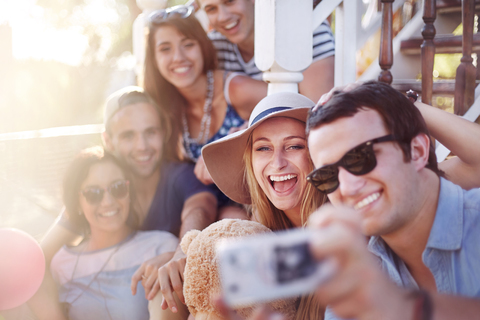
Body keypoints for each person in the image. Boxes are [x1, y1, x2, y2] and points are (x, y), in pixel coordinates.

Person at [35, 87, 217, 319]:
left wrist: (179, 252)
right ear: (108, 141)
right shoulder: (100, 188)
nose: (142, 146)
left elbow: (199, 208)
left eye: (150, 132)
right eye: (128, 136)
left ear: (164, 133)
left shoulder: (178, 177)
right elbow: (37, 262)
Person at [303, 81, 480, 319]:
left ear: (417, 151)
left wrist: (402, 307)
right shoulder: (357, 285)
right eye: (326, 175)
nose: (347, 187)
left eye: (360, 158)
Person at [202, 92, 326, 319]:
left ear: (318, 154)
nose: (277, 163)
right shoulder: (257, 230)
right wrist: (183, 257)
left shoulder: (338, 226)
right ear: (250, 159)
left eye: (294, 146)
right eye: (263, 148)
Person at [39, 146, 179, 320]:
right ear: (76, 203)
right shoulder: (60, 264)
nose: (108, 202)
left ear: (129, 192)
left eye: (118, 187)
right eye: (93, 193)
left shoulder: (162, 246)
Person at [143, 5, 266, 186]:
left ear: (203, 46)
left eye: (188, 44)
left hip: (261, 199)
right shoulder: (165, 108)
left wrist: (249, 134)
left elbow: (293, 111)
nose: (178, 57)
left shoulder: (234, 89)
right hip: (213, 204)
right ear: (154, 59)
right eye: (165, 49)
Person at [197, 0, 335, 102]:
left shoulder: (305, 29)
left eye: (229, 2)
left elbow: (319, 111)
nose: (223, 17)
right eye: (211, 9)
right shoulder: (216, 44)